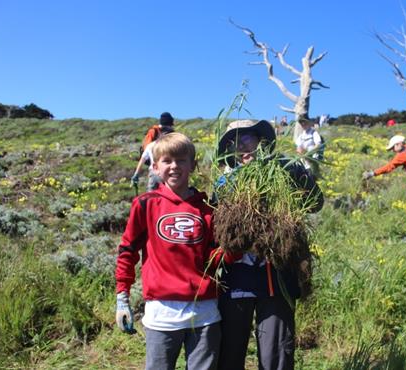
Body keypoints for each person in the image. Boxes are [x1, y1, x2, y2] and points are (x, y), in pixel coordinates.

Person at [115, 133, 238, 370]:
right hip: (161, 315)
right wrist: (122, 297)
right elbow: (127, 251)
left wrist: (239, 246)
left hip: (204, 314)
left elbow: (215, 259)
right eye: (167, 160)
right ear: (155, 166)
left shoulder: (208, 209)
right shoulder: (146, 204)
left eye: (182, 160)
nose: (174, 166)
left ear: (193, 164)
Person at [215, 119, 323, 370]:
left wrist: (299, 176)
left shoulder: (285, 170)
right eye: (234, 143)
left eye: (247, 139)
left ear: (261, 141)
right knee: (229, 351)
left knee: (277, 353)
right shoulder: (225, 182)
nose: (242, 147)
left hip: (276, 277)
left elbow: (316, 202)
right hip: (236, 280)